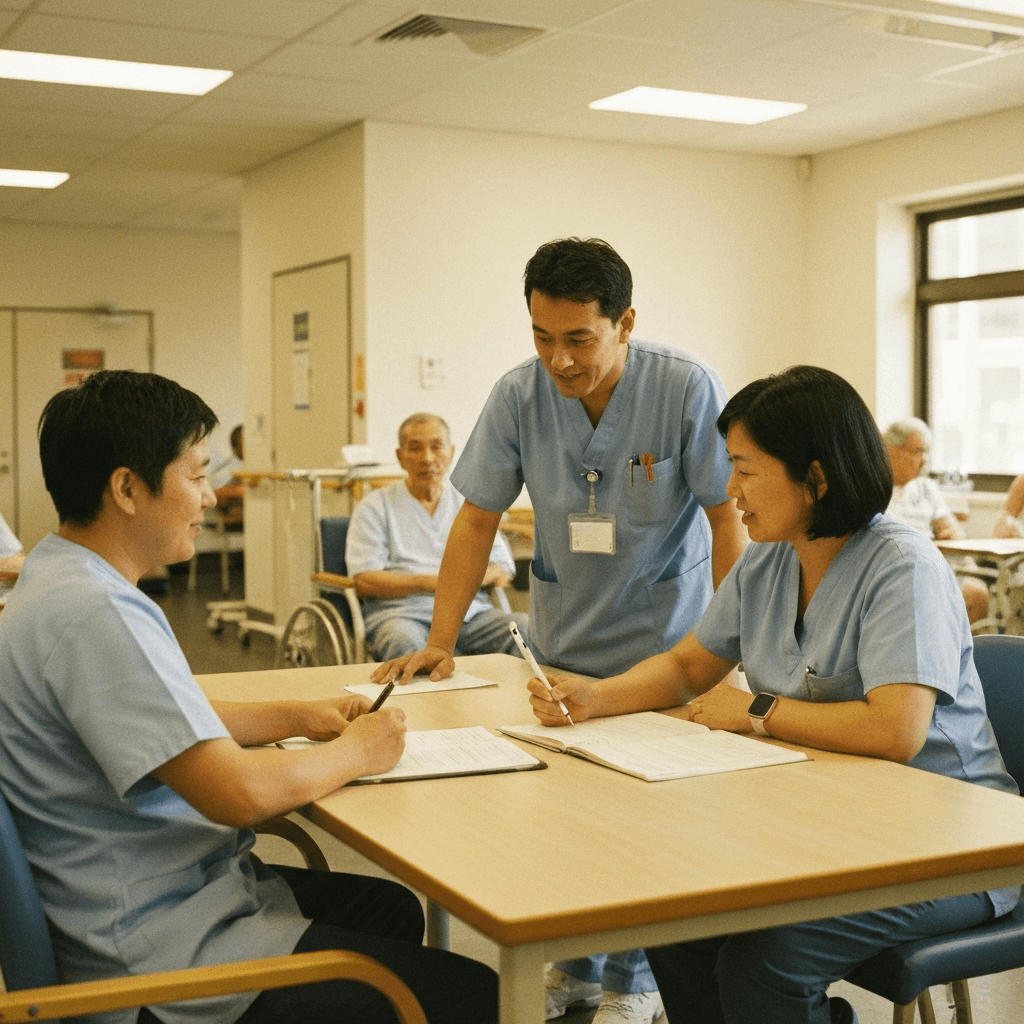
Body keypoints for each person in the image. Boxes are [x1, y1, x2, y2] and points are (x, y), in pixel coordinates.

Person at [0, 370, 497, 1024]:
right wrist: (359, 750)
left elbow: (172, 717)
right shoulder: (95, 614)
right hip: (155, 952)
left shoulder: (57, 580)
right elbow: (239, 794)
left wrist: (298, 716)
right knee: (473, 993)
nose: (210, 497)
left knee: (391, 909)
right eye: (197, 475)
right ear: (127, 488)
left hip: (142, 895)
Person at [527, 366, 1020, 1024]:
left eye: (746, 469)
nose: (730, 491)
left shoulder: (901, 567)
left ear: (815, 477)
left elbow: (896, 731)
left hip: (953, 849)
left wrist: (757, 711)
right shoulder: (771, 556)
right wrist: (595, 697)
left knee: (765, 960)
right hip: (833, 827)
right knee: (678, 919)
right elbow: (686, 667)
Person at [375, 238, 747, 1024]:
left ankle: (635, 984)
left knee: (648, 827)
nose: (560, 361)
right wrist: (442, 638)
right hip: (563, 644)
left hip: (666, 653)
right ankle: (578, 969)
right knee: (574, 828)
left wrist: (731, 653)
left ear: (625, 323)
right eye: (543, 337)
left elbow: (726, 518)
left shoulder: (683, 387)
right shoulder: (519, 396)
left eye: (579, 339)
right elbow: (476, 519)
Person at [346, 412, 528, 661]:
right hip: (402, 615)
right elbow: (366, 580)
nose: (427, 459)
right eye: (415, 449)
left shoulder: (469, 504)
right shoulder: (374, 507)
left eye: (436, 447)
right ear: (400, 457)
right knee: (405, 646)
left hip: (470, 614)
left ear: (451, 453)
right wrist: (437, 582)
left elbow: (500, 568)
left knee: (526, 631)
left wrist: (456, 585)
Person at [882, 418, 989, 624]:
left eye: (925, 453)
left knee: (977, 594)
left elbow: (952, 529)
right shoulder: (875, 489)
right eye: (917, 451)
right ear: (891, 451)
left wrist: (951, 533)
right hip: (901, 568)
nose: (923, 460)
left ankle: (965, 656)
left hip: (937, 563)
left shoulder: (926, 487)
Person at [209, 423, 245, 525]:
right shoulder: (228, 469)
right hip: (227, 528)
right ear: (235, 445)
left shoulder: (254, 465)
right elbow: (214, 494)